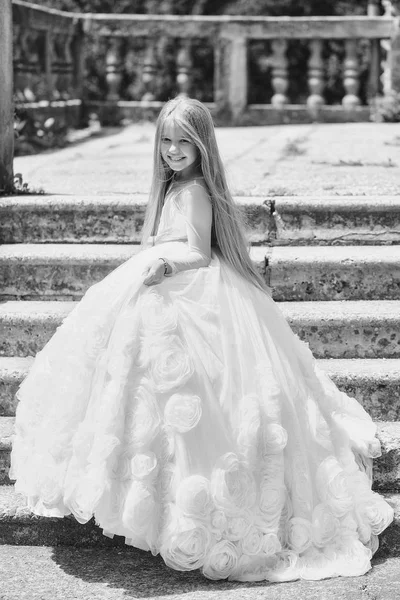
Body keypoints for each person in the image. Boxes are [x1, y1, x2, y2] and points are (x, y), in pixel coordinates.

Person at [10, 97, 393, 583]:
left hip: (186, 284)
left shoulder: (195, 193)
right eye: (166, 141)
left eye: (182, 143)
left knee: (193, 391)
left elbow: (200, 252)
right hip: (160, 278)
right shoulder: (175, 188)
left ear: (201, 145)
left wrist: (167, 263)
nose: (172, 151)